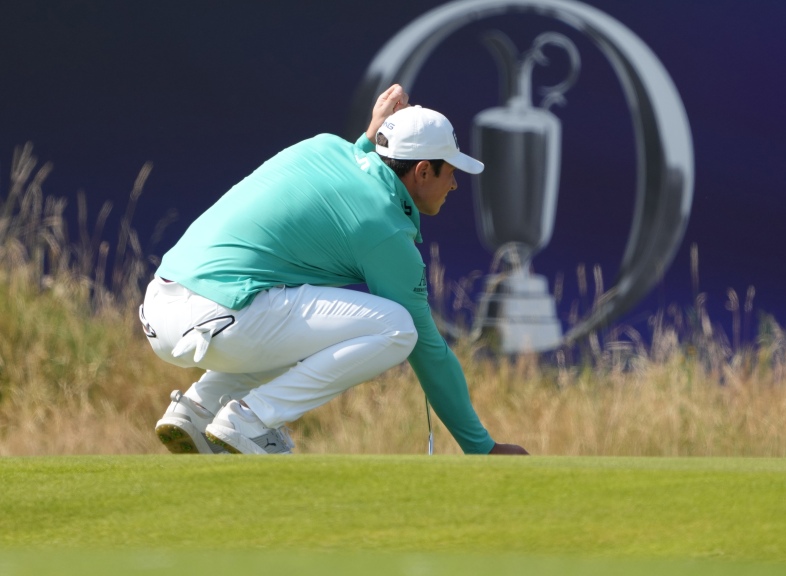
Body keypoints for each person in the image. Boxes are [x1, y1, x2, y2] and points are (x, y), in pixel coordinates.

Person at [139, 84, 528, 456]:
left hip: (162, 308)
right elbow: (428, 350)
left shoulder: (323, 146)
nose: (455, 185)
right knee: (397, 328)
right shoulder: (384, 228)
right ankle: (251, 420)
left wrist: (371, 135)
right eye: (450, 172)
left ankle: (197, 409)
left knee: (321, 326)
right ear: (423, 171)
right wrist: (482, 447)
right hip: (220, 318)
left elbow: (355, 166)